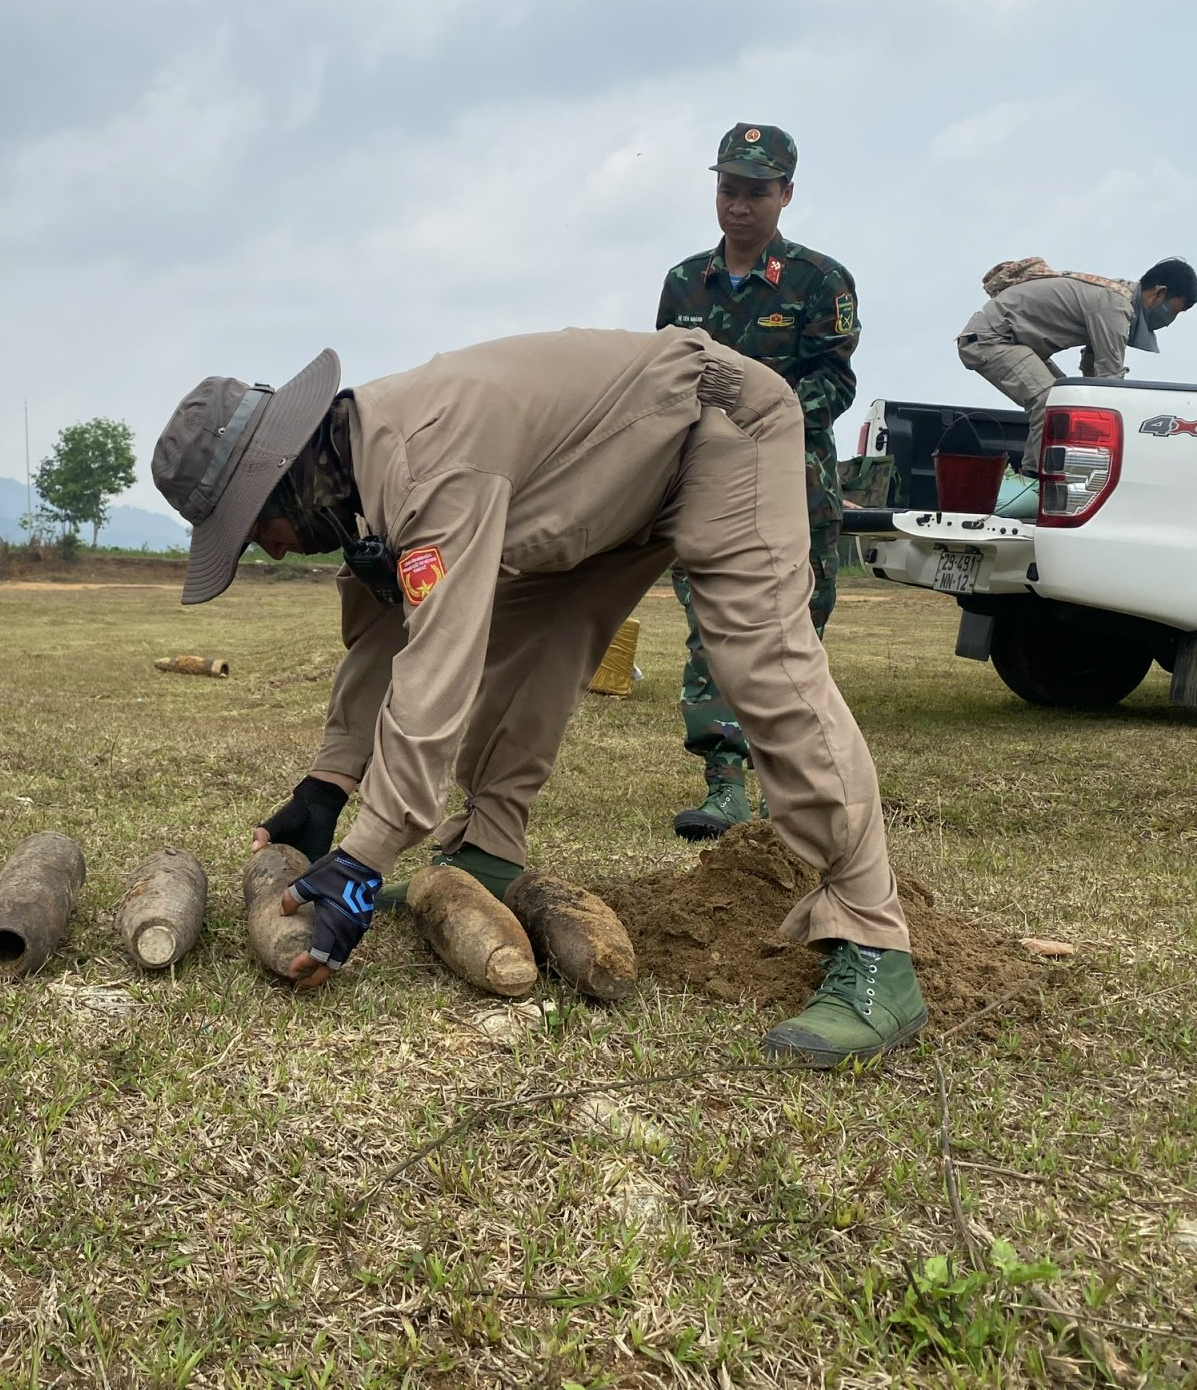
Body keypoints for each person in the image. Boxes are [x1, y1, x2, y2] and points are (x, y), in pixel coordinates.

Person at [149, 328, 928, 1067]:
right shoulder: (359, 478)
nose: (272, 547)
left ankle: (872, 942)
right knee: (536, 645)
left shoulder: (426, 467)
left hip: (714, 423)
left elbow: (436, 667)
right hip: (608, 479)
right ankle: (487, 853)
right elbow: (381, 629)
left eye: (258, 524)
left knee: (759, 656)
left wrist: (364, 854)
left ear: (288, 474)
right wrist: (327, 785)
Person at [656, 122, 860, 842]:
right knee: (712, 629)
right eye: (728, 190)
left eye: (756, 192)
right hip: (707, 484)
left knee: (794, 634)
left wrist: (761, 420)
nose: (739, 206)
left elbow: (835, 383)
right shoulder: (684, 282)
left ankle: (791, 792)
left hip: (792, 483)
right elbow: (664, 379)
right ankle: (724, 789)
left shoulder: (820, 281)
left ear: (786, 195)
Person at [957, 256, 1197, 456]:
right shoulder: (1115, 306)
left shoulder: (1115, 297)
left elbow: (1092, 369)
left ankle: (1045, 473)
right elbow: (1110, 383)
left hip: (1015, 342)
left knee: (1068, 403)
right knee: (1053, 406)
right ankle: (1030, 483)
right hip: (992, 339)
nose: (1170, 321)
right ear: (1159, 293)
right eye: (1174, 310)